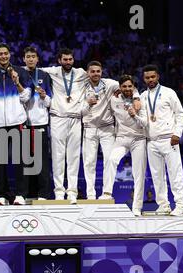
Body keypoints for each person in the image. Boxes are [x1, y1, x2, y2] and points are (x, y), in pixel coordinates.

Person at [81, 61, 139, 200]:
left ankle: (107, 193)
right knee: (89, 162)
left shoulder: (110, 84)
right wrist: (88, 104)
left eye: (98, 71)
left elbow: (130, 86)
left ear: (101, 72)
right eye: (92, 71)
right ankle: (90, 194)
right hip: (89, 127)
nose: (95, 74)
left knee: (109, 160)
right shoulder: (82, 86)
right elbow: (80, 110)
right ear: (88, 72)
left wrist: (136, 97)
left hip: (107, 128)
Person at [39, 48, 87, 204]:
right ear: (59, 60)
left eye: (70, 59)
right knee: (58, 156)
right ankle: (59, 192)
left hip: (75, 118)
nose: (68, 62)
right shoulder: (52, 72)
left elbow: (99, 78)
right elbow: (30, 69)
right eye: (65, 59)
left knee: (73, 157)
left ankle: (72, 192)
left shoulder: (80, 73)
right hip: (58, 117)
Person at [0, 43, 32, 205]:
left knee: (20, 160)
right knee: (0, 161)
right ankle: (2, 195)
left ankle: (20, 194)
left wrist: (17, 82)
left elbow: (27, 97)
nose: (3, 56)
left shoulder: (20, 71)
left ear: (10, 54)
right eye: (0, 54)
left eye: (6, 53)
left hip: (17, 122)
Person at [141, 64, 183, 216]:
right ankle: (163, 205)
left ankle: (180, 205)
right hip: (151, 140)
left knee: (175, 173)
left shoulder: (169, 92)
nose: (150, 80)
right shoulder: (142, 96)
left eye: (153, 77)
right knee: (156, 175)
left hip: (169, 139)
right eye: (147, 77)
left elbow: (180, 114)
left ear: (158, 76)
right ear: (144, 79)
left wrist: (177, 134)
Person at [100, 75, 147, 216]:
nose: (127, 89)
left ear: (134, 87)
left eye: (130, 86)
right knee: (111, 159)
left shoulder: (141, 101)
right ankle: (107, 193)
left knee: (138, 173)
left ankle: (137, 207)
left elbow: (145, 123)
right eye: (124, 86)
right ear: (119, 87)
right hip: (121, 139)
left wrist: (135, 115)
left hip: (138, 139)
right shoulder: (114, 99)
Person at [22, 46, 52, 200]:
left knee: (41, 161)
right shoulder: (19, 73)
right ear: (24, 59)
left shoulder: (44, 75)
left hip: (40, 122)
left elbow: (49, 103)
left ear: (38, 59)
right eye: (28, 56)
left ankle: (43, 194)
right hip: (23, 123)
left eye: (33, 56)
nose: (31, 59)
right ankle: (27, 194)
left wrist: (44, 96)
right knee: (26, 161)